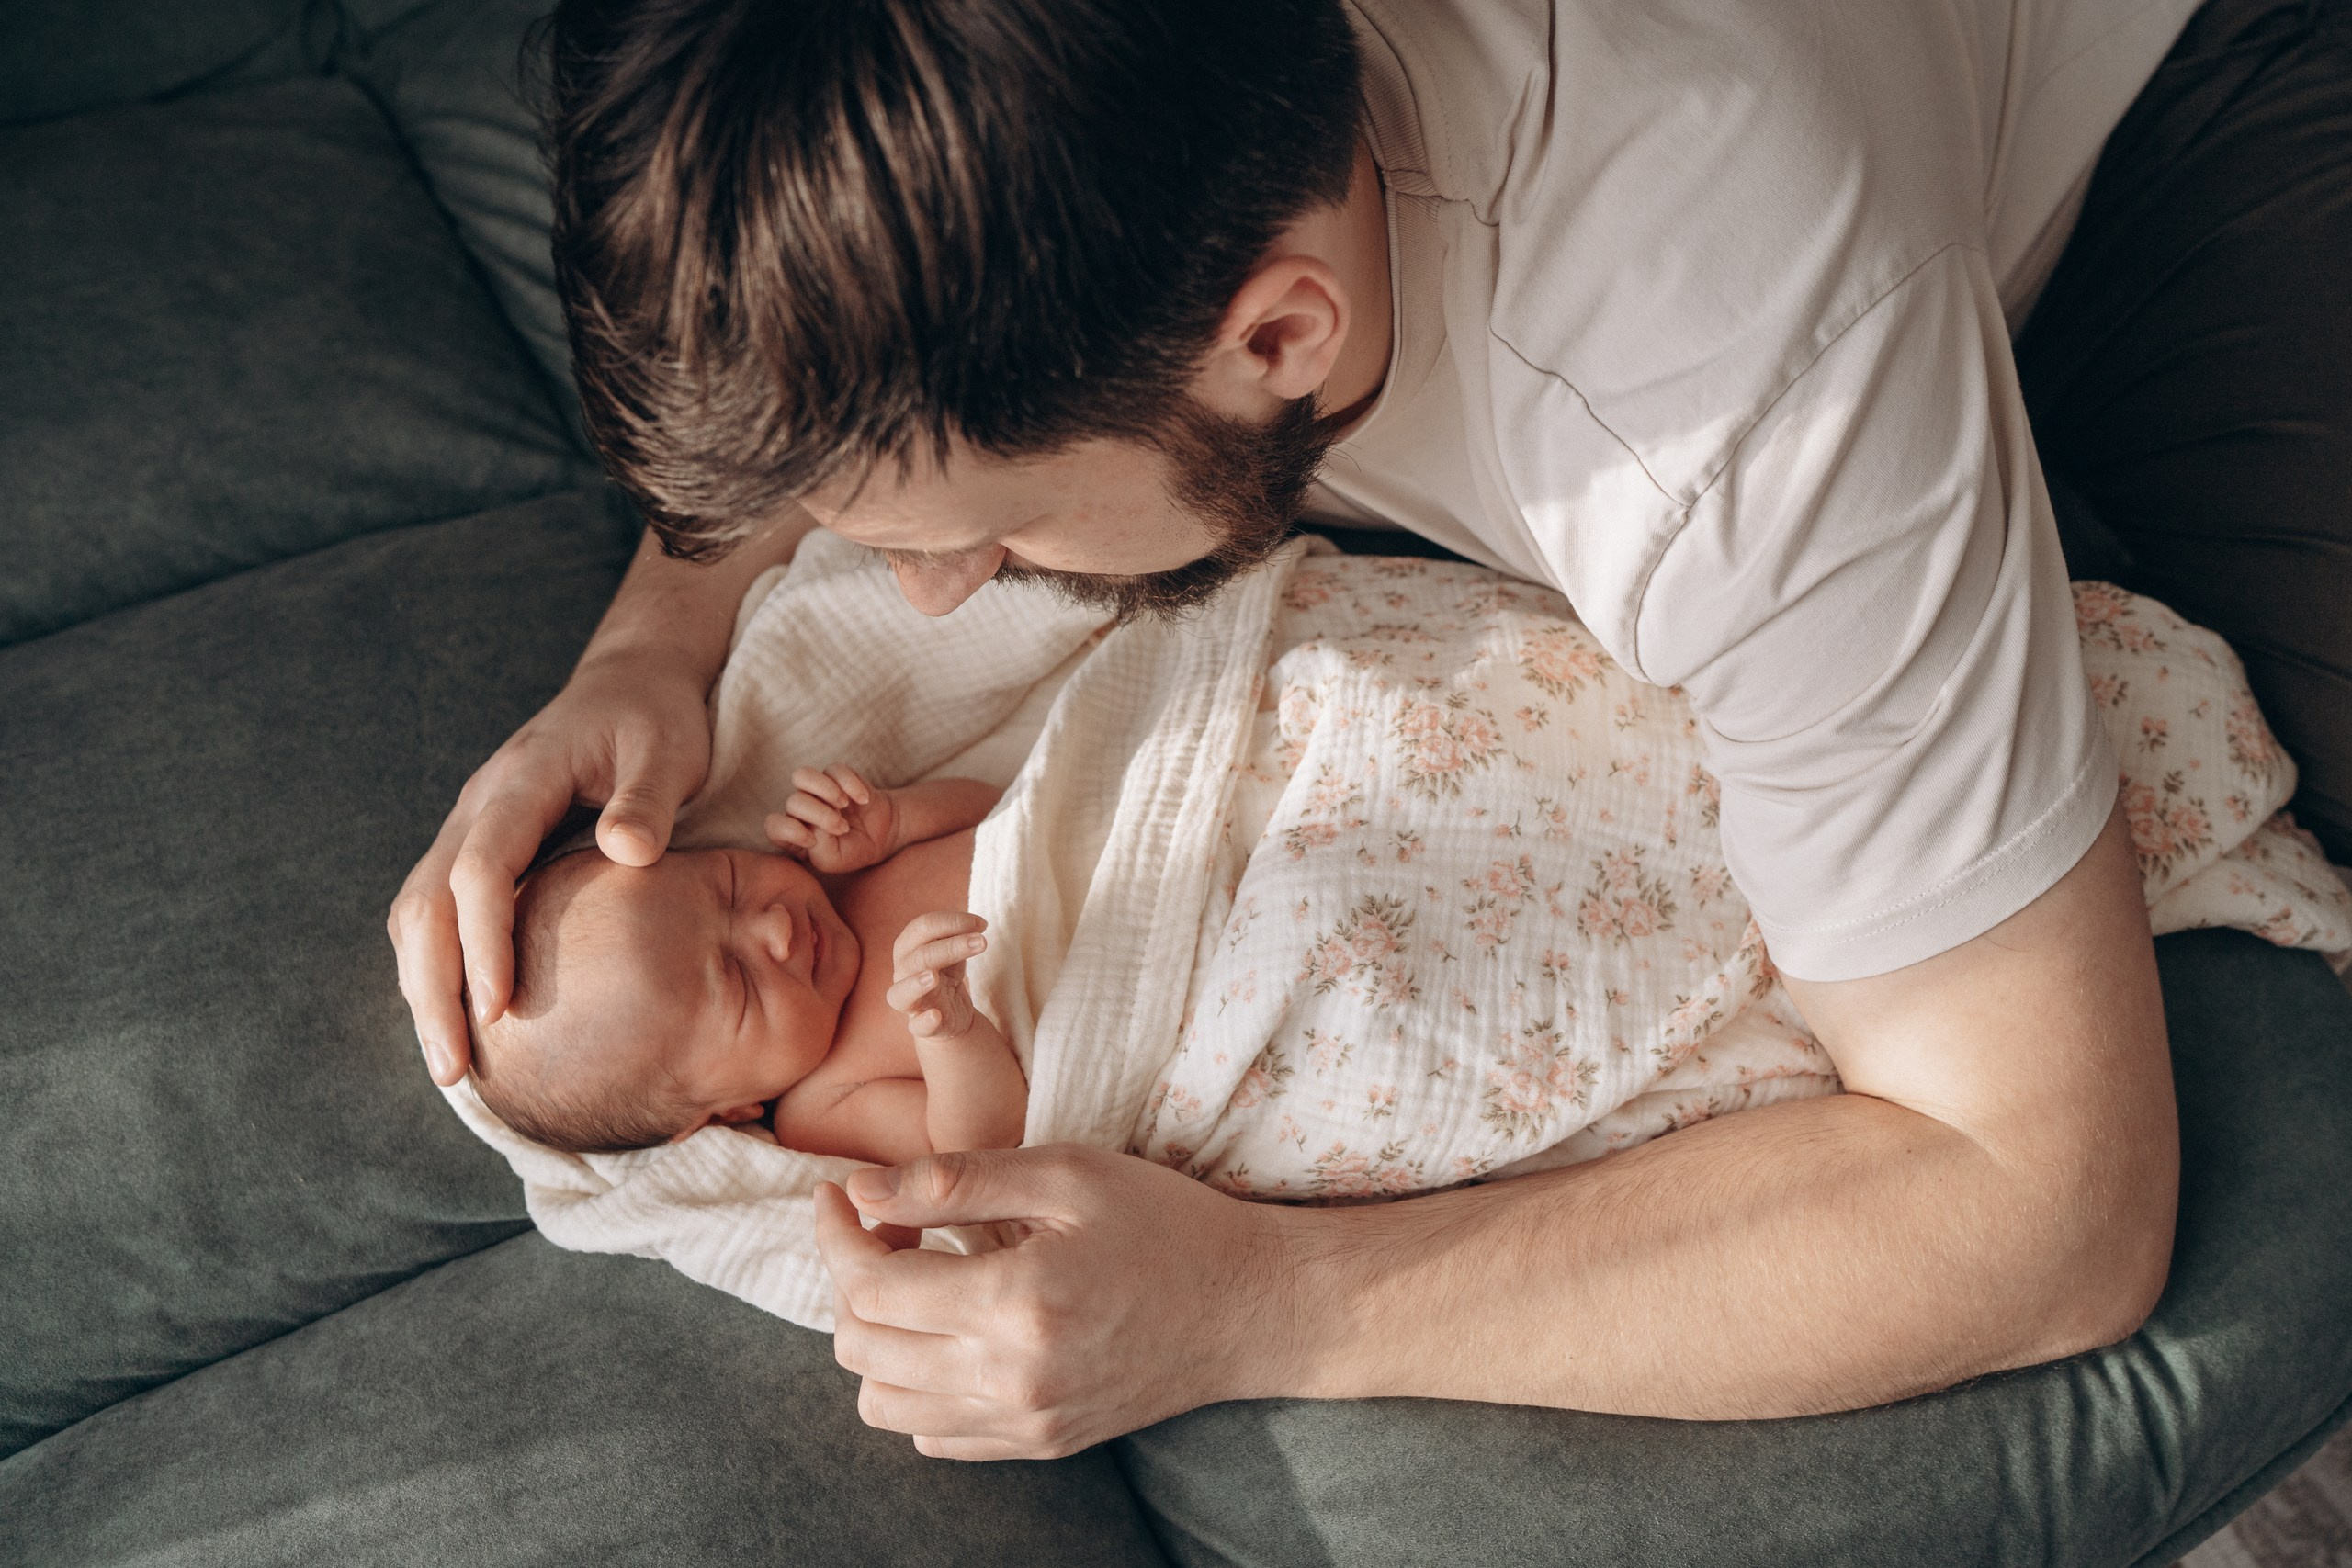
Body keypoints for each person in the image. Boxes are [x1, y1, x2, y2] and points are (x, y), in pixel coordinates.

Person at [385, 0, 2352, 1461]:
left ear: (1277, 334)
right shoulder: (1086, 148)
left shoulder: (1725, 393)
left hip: (2158, 125)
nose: (922, 597)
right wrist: (652, 643)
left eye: (986, 534)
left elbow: (2045, 1204)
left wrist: (1255, 1306)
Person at [467, 766, 1023, 1161]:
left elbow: (1007, 810)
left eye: (728, 886)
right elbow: (978, 1149)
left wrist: (898, 819)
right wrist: (952, 1036)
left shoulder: (837, 865)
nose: (776, 927)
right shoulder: (822, 1110)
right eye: (739, 983)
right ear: (729, 1112)